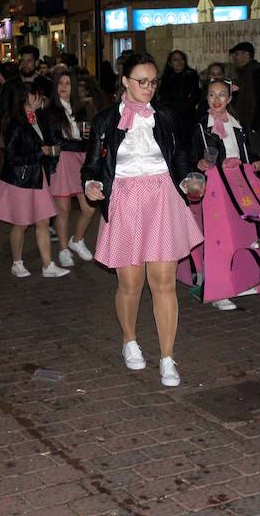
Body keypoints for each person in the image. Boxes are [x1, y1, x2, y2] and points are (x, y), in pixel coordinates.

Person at [82, 53, 203, 387]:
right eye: (142, 82)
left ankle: (167, 357)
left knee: (163, 282)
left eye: (153, 82)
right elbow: (92, 165)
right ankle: (129, 339)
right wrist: (92, 184)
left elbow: (180, 155)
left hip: (161, 198)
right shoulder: (106, 120)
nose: (149, 88)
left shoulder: (165, 115)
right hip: (124, 201)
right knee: (130, 284)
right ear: (125, 81)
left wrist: (187, 179)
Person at [189, 77, 260, 311]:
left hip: (238, 183)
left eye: (222, 95)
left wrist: (253, 162)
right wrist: (199, 163)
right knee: (218, 236)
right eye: (212, 95)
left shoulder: (237, 124)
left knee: (245, 229)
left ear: (229, 98)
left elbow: (245, 150)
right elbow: (195, 152)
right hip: (215, 185)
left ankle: (243, 279)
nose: (216, 99)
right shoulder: (203, 125)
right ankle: (218, 289)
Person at [0, 81, 70, 279]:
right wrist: (40, 153)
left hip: (38, 177)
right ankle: (17, 262)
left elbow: (50, 141)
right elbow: (12, 156)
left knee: (43, 221)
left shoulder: (38, 118)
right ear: (25, 97)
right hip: (20, 179)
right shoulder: (15, 123)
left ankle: (48, 265)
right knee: (21, 224)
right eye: (35, 94)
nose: (39, 97)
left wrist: (51, 151)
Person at [47, 71, 97, 267]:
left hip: (81, 160)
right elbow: (56, 141)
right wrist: (80, 144)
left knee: (89, 207)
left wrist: (88, 140)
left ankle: (76, 240)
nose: (64, 86)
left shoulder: (81, 109)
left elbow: (87, 136)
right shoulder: (51, 111)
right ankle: (63, 249)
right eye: (61, 83)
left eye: (68, 83)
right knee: (63, 209)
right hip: (62, 161)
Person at [0, 45, 53, 153]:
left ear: (36, 63)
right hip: (15, 139)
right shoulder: (10, 85)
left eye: (29, 61)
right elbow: (0, 111)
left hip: (41, 138)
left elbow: (54, 112)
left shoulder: (47, 85)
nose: (25, 64)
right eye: (23, 61)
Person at [229, 42, 260, 155]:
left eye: (237, 54)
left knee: (251, 157)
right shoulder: (243, 72)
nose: (234, 58)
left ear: (246, 54)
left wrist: (255, 127)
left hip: (253, 126)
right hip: (243, 124)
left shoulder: (258, 72)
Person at [157, 50, 201, 141]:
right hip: (171, 117)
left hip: (188, 117)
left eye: (181, 59)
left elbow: (194, 97)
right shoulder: (166, 79)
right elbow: (164, 98)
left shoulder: (192, 75)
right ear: (170, 63)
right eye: (175, 60)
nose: (179, 62)